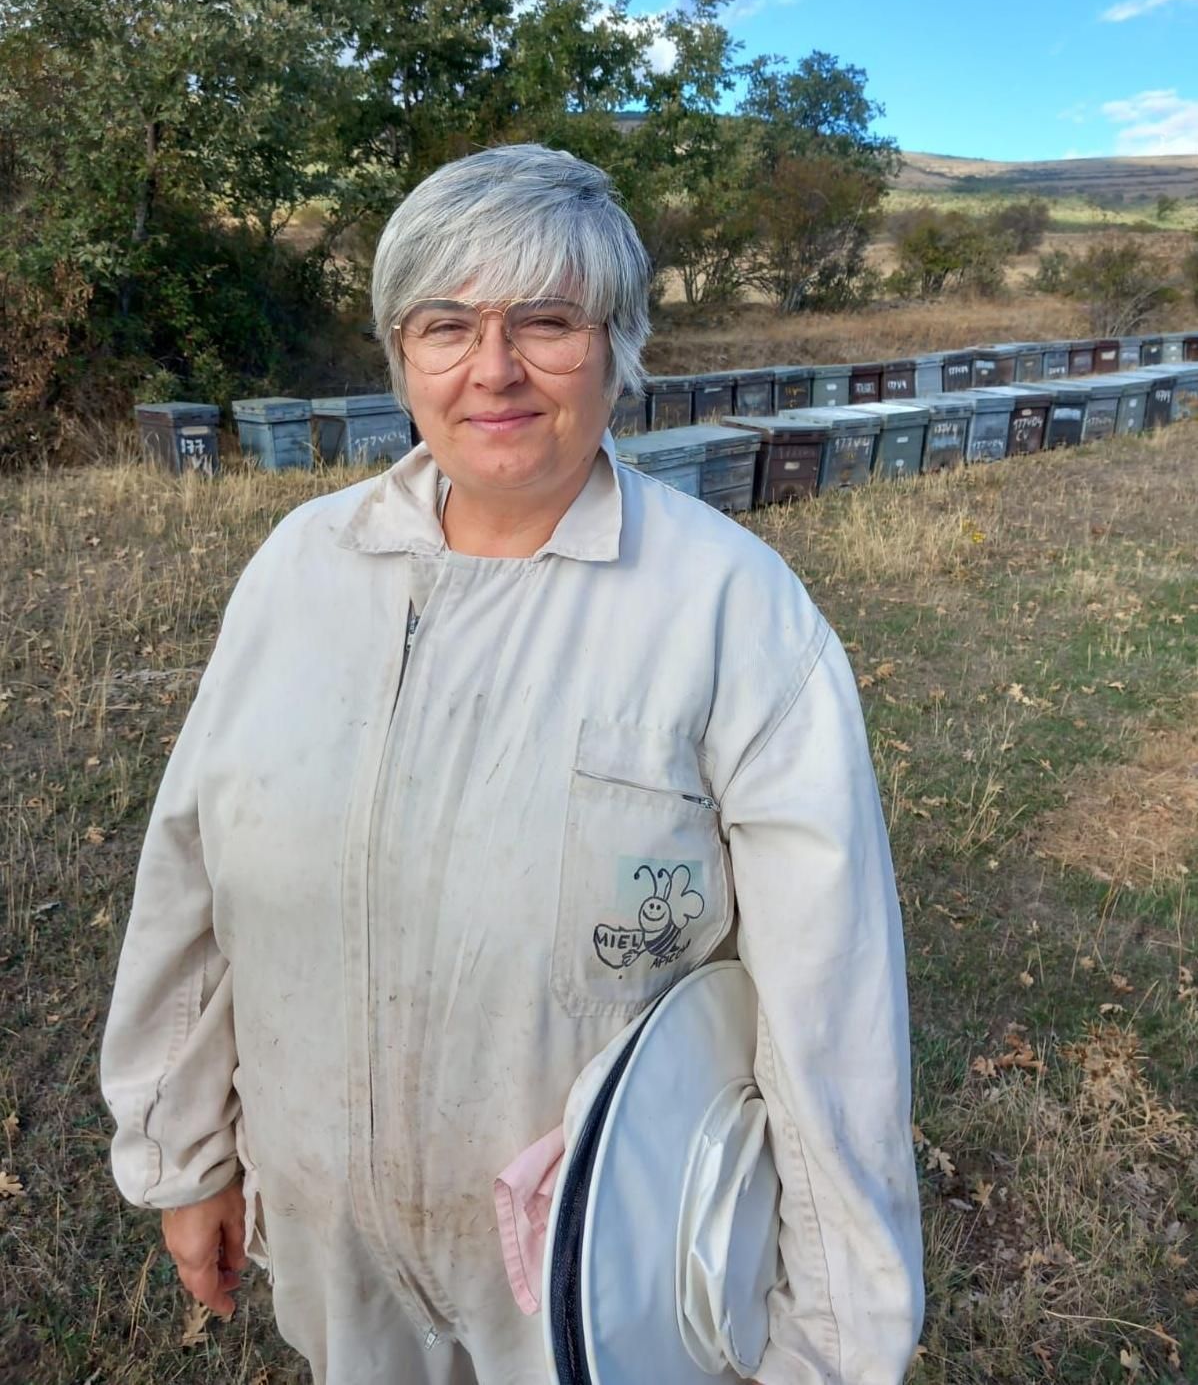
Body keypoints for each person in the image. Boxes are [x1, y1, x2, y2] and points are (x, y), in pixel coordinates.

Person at [101, 142, 923, 1385]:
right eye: (444, 325)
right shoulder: (297, 571)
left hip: (594, 1277)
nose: (492, 367)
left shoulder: (728, 610)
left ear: (617, 344)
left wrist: (831, 1338)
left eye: (545, 320)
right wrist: (186, 1157)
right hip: (333, 1251)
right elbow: (193, 886)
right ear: (399, 351)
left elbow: (833, 1006)